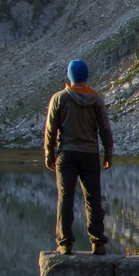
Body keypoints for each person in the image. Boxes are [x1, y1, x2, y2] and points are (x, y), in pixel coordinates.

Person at [44, 59, 113, 255]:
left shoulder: (59, 98)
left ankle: (65, 243)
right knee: (93, 198)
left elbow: (51, 129)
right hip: (90, 154)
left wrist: (49, 154)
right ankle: (98, 242)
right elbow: (105, 129)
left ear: (70, 76)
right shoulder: (96, 99)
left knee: (65, 197)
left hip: (67, 153)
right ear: (86, 76)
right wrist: (108, 153)